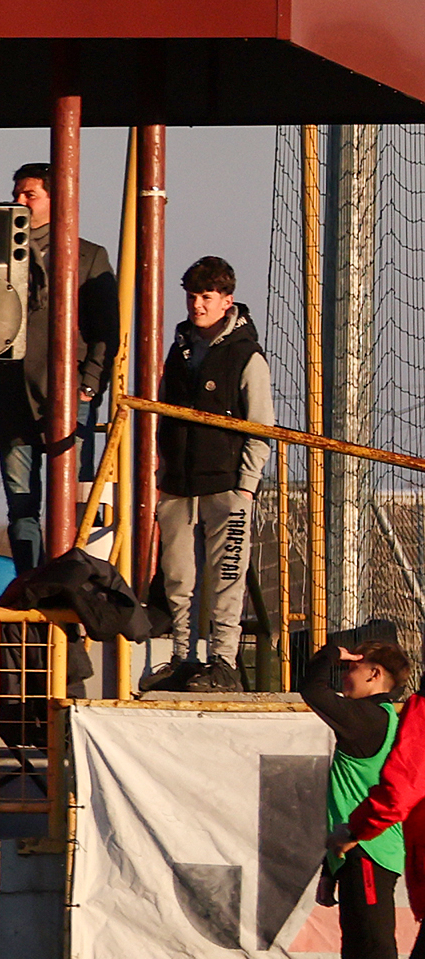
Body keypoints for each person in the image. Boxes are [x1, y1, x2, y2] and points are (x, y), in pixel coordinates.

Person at [0, 160, 117, 577]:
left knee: (71, 502)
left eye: (30, 195)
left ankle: (69, 584)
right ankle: (29, 585)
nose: (19, 202)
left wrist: (89, 385)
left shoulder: (89, 257)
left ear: (56, 200)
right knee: (21, 505)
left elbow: (106, 330)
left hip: (68, 396)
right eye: (16, 195)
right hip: (12, 396)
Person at [152, 256, 274, 693]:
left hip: (226, 486)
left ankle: (224, 661)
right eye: (192, 297)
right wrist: (163, 472)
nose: (197, 306)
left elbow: (261, 427)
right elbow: (163, 413)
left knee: (226, 577)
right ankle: (184, 657)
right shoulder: (180, 350)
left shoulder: (246, 356)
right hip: (180, 486)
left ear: (227, 300)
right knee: (179, 577)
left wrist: (246, 483)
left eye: (206, 297)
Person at [317, 631, 425, 959]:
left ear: (377, 676)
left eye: (352, 671)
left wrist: (330, 650)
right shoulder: (384, 719)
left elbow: (311, 691)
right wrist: (330, 867)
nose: (344, 678)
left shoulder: (368, 717)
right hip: (354, 853)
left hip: (368, 850)